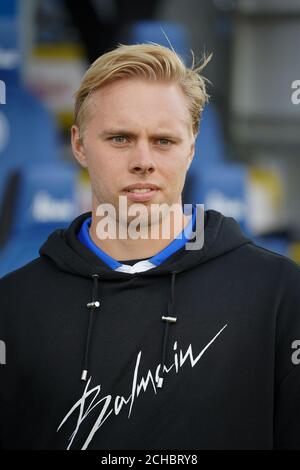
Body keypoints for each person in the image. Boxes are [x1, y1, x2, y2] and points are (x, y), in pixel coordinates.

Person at [0, 43, 300, 451]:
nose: (143, 160)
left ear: (191, 148)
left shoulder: (279, 294)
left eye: (163, 141)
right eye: (120, 138)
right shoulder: (13, 305)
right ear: (79, 145)